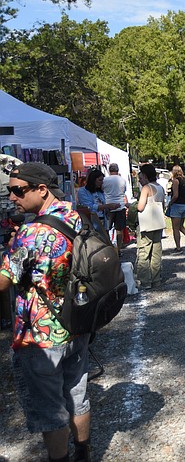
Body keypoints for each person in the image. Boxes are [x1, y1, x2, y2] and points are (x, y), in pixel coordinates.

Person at [0, 163, 92, 462]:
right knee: (76, 394)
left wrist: (12, 250)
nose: (12, 197)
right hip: (76, 321)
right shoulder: (74, 215)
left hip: (40, 334)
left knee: (50, 407)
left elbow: (3, 280)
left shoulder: (32, 233)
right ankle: (83, 452)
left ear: (41, 190)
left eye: (17, 190)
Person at [136, 164, 166, 290]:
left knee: (144, 252)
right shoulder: (160, 187)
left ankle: (145, 281)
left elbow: (140, 207)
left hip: (146, 224)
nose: (140, 179)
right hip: (158, 223)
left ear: (145, 175)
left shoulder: (146, 188)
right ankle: (156, 279)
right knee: (156, 252)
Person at [102, 163, 128, 250]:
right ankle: (119, 249)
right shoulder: (122, 180)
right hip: (120, 206)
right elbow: (124, 191)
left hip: (108, 206)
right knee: (119, 230)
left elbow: (102, 190)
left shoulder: (105, 180)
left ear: (109, 170)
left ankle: (108, 247)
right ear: (118, 170)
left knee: (106, 229)